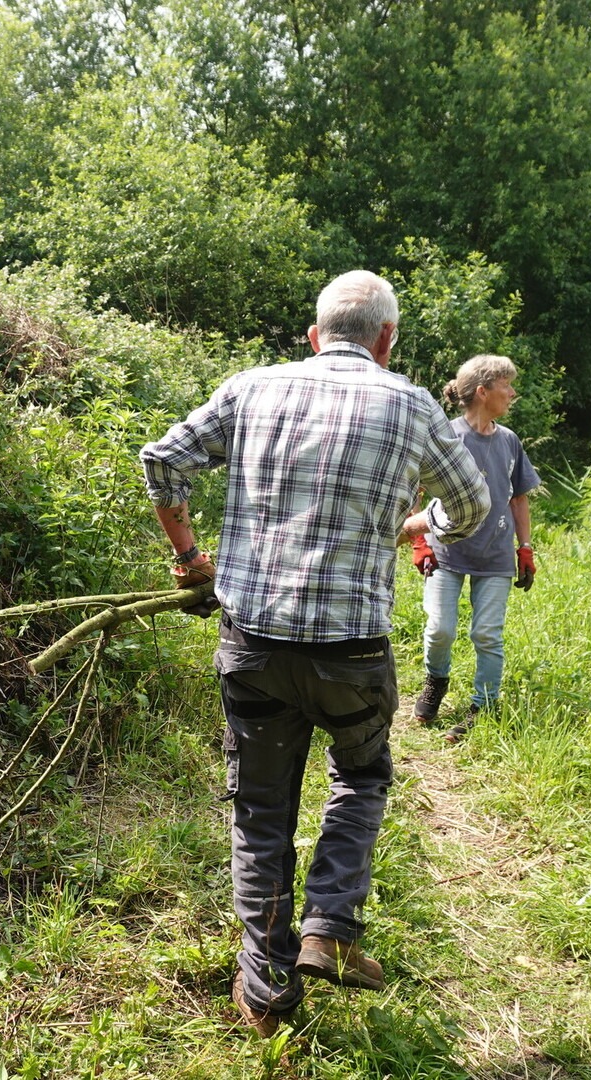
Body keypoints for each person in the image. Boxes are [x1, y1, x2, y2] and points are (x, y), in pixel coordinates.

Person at [140, 271, 489, 1037]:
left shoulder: (251, 388)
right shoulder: (412, 403)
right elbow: (472, 506)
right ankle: (329, 925)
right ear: (387, 339)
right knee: (361, 776)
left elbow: (163, 462)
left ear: (314, 334)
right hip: (352, 655)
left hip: (255, 644)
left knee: (262, 812)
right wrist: (417, 524)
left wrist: (191, 557)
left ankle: (266, 993)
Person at [409, 354, 541, 743]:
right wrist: (419, 541)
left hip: (496, 555)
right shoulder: (445, 437)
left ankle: (483, 705)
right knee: (439, 630)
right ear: (483, 392)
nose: (513, 392)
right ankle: (436, 681)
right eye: (506, 385)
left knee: (486, 634)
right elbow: (413, 490)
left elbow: (518, 499)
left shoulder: (510, 442)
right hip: (446, 553)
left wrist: (526, 549)